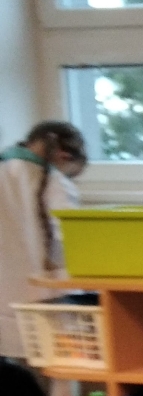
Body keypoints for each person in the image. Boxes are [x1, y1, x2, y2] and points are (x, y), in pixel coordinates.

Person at [0, 119, 86, 359]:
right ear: (64, 157)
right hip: (45, 300)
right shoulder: (56, 183)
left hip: (4, 302)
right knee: (57, 361)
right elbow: (70, 241)